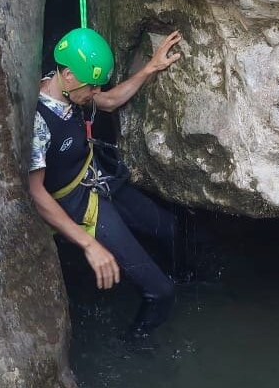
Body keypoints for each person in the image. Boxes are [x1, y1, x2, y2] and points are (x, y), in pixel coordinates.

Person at [29, 27, 184, 337]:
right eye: (91, 87)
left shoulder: (69, 89)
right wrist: (89, 245)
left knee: (170, 228)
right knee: (161, 293)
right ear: (69, 76)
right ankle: (136, 346)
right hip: (80, 205)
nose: (94, 93)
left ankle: (188, 276)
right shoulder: (38, 124)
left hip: (99, 178)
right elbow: (37, 194)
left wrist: (151, 67)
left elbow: (110, 101)